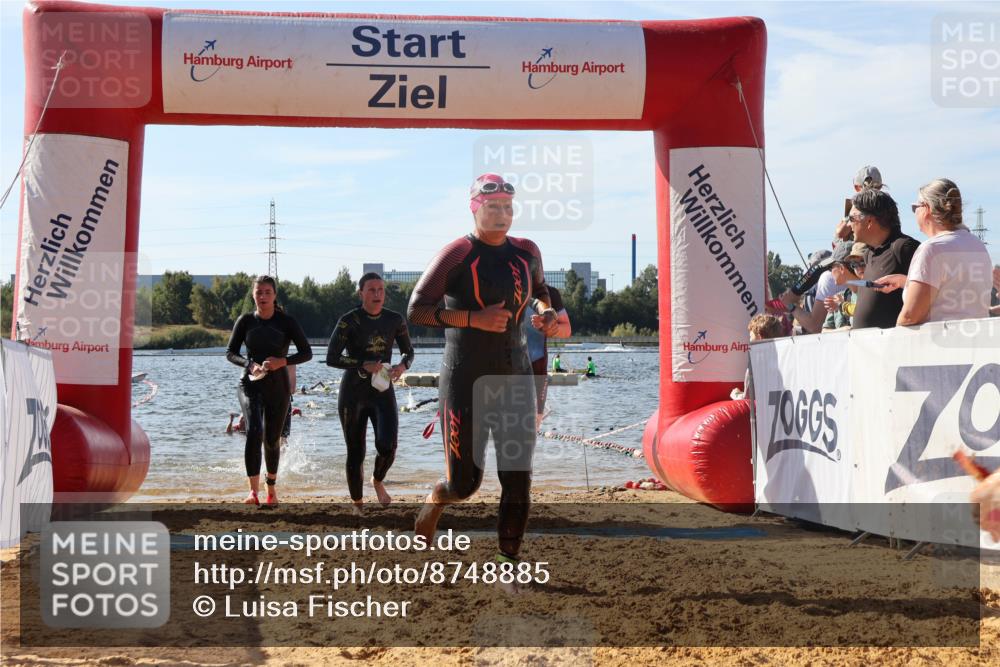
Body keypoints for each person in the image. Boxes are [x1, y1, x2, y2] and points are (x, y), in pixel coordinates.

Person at [407, 173, 558, 574]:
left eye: (508, 207)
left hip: (516, 378)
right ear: (475, 208)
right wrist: (473, 318)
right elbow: (416, 311)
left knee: (517, 478)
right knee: (465, 485)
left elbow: (541, 291)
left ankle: (507, 563)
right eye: (493, 207)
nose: (502, 215)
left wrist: (544, 315)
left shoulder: (527, 251)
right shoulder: (457, 254)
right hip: (464, 381)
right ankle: (436, 500)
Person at [326, 272, 414, 513]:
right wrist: (361, 363)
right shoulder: (349, 320)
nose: (377, 294)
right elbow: (331, 358)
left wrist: (402, 366)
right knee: (356, 451)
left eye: (381, 290)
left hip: (382, 390)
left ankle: (377, 480)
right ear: (361, 293)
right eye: (372, 290)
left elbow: (409, 352)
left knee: (388, 446)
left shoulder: (394, 320)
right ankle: (357, 504)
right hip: (353, 392)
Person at [226, 275, 312, 506]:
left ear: (274, 296)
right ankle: (252, 492)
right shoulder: (245, 321)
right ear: (253, 295)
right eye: (258, 292)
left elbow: (307, 352)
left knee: (272, 440)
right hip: (250, 383)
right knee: (254, 431)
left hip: (278, 387)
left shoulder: (287, 322)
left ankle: (270, 489)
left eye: (267, 292)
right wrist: (249, 364)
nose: (262, 296)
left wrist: (282, 362)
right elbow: (230, 352)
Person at [872, 179, 992, 325]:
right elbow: (954, 289)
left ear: (926, 209)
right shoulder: (977, 245)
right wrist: (906, 282)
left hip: (939, 344)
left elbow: (910, 316)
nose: (914, 213)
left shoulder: (932, 249)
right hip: (976, 340)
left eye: (915, 207)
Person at [845, 188, 919, 329]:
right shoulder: (869, 254)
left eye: (851, 219)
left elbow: (925, 297)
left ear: (869, 221)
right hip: (866, 347)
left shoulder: (904, 247)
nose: (849, 225)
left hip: (896, 347)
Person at [522, 285, 571, 428]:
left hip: (537, 371)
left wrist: (552, 329)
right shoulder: (499, 284)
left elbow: (567, 329)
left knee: (529, 432)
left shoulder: (550, 293)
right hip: (503, 370)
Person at [821, 241, 868, 329]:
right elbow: (824, 331)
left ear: (841, 268)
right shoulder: (840, 297)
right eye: (854, 264)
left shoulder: (873, 292)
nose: (830, 272)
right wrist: (841, 331)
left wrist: (841, 305)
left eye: (830, 267)